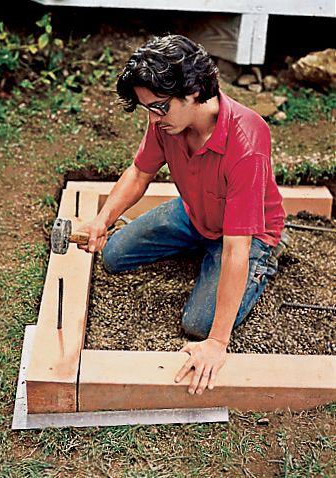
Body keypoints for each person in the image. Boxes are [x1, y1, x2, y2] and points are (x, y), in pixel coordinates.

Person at [77, 34, 285, 395]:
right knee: (112, 255)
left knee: (199, 324)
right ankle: (201, 250)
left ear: (193, 91)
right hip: (195, 213)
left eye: (159, 106)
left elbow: (237, 248)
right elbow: (141, 172)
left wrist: (218, 343)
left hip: (245, 235)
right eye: (147, 108)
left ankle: (266, 260)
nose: (153, 118)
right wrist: (103, 219)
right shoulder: (165, 120)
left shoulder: (246, 142)